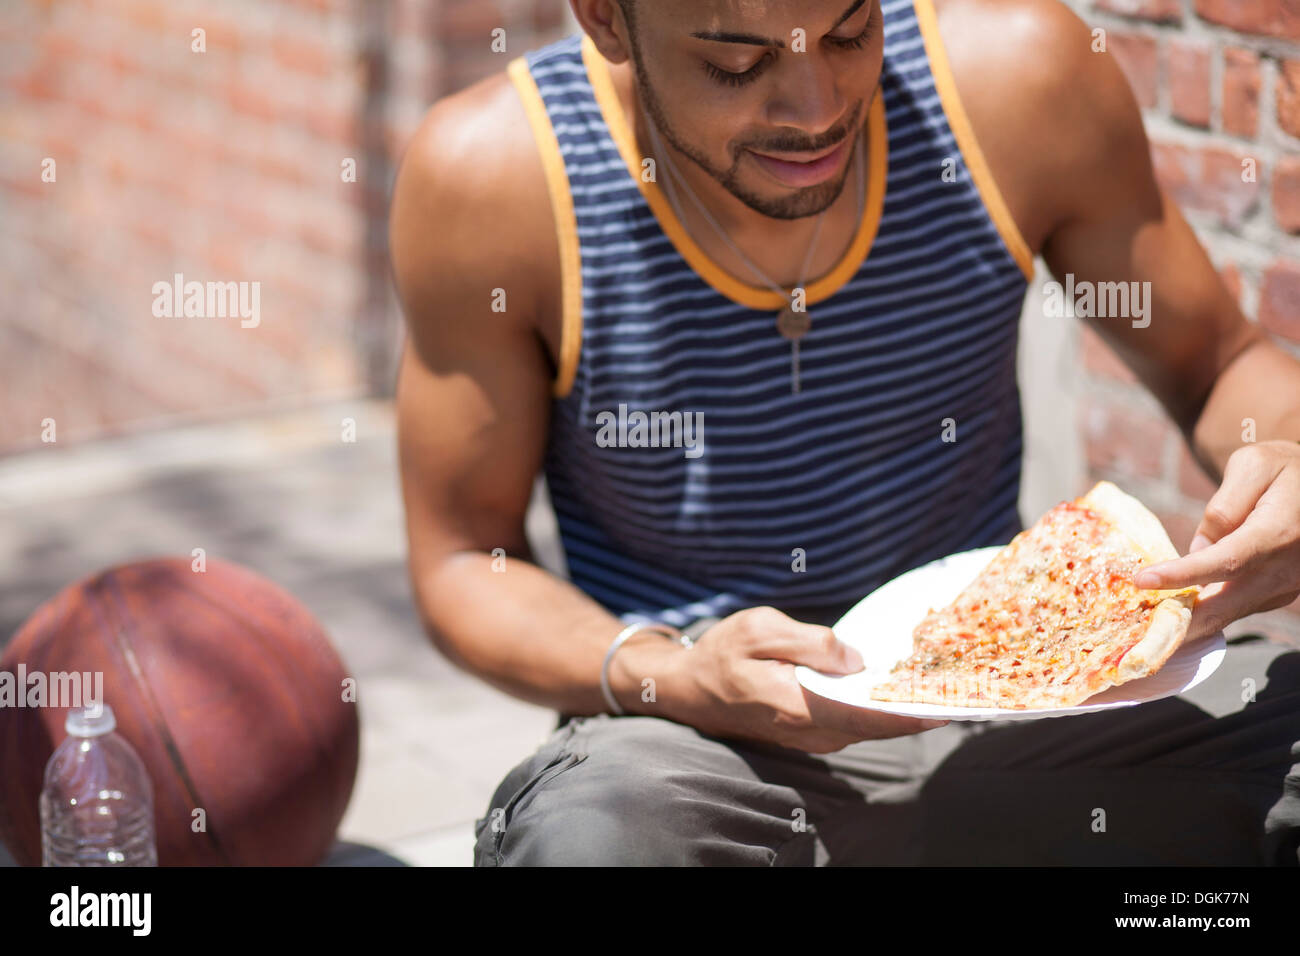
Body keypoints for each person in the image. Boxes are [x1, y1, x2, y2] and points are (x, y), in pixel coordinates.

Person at [387, 0, 1300, 865]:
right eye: (735, 63)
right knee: (595, 834)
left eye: (850, 31)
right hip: (706, 749)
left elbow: (1214, 360)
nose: (818, 108)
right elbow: (466, 559)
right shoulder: (493, 177)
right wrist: (668, 672)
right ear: (603, 18)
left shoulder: (1015, 80)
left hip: (1029, 703)